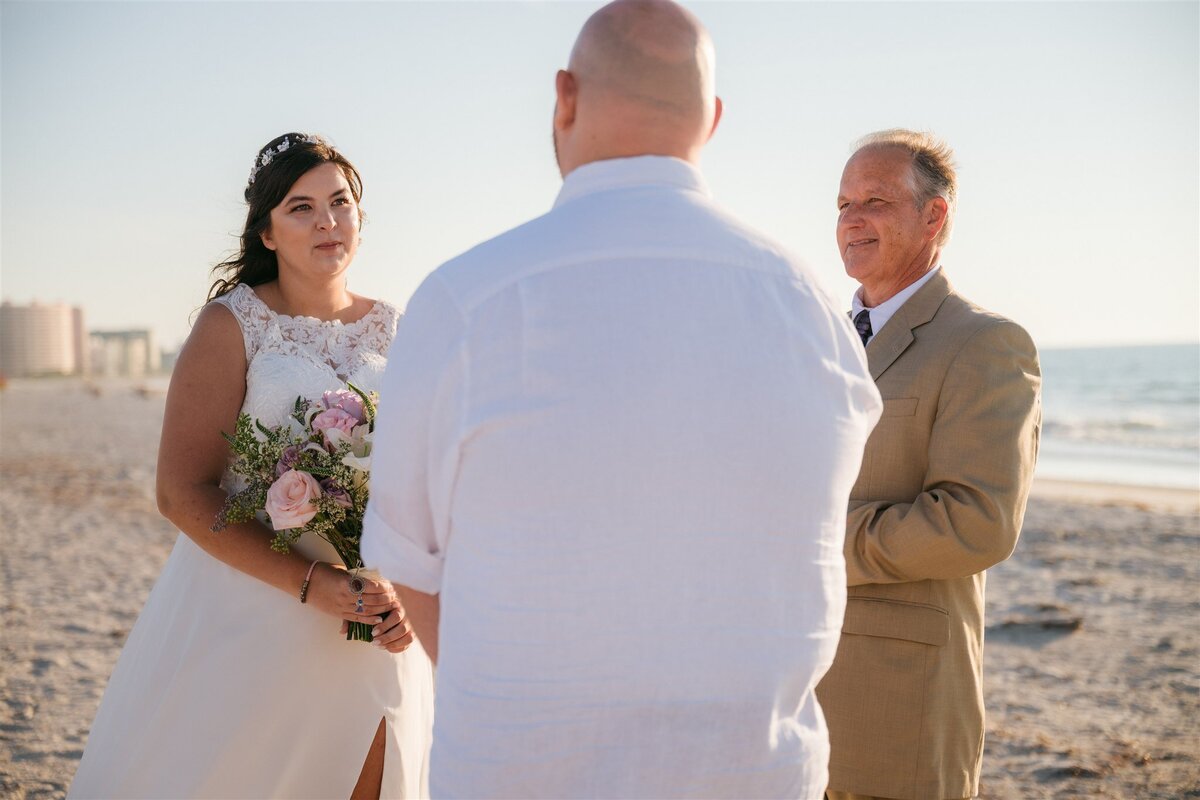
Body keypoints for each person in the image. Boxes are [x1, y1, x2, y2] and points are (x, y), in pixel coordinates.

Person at [360, 2, 882, 796]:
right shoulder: (811, 307)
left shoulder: (467, 300)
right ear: (712, 121)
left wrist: (516, 696)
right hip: (754, 771)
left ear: (564, 97)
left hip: (523, 769)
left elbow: (407, 560)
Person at [69, 134, 433, 799]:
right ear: (266, 231)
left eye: (341, 202)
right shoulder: (231, 325)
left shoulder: (396, 327)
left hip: (371, 612)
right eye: (301, 207)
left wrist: (412, 592)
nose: (328, 221)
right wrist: (310, 582)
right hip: (254, 607)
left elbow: (422, 482)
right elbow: (181, 491)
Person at [817, 130, 1041, 800]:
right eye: (843, 203)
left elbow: (978, 524)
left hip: (896, 702)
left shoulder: (984, 343)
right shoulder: (814, 339)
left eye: (875, 201)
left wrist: (817, 545)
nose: (851, 219)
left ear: (933, 215)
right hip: (788, 689)